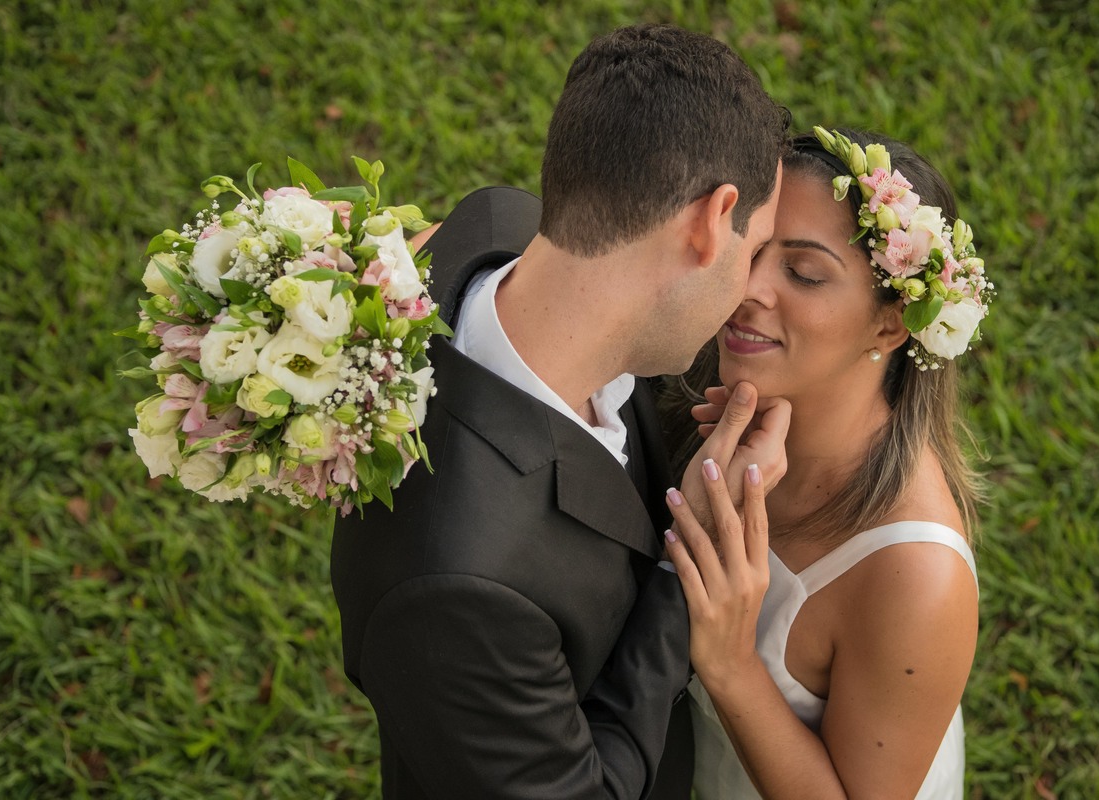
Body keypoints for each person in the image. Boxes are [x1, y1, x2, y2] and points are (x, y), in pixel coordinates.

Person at [330, 24, 790, 799]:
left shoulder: (496, 230)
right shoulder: (457, 587)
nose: (751, 289)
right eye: (759, 248)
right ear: (712, 222)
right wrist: (698, 552)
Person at [660, 127, 991, 799]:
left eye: (805, 273)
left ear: (891, 324)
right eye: (752, 247)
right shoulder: (702, 394)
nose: (748, 287)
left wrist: (728, 661)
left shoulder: (916, 578)